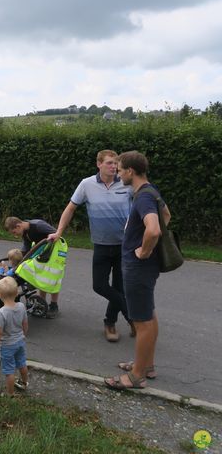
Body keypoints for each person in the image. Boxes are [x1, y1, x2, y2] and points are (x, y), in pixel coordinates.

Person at [47, 150, 133, 342]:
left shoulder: (127, 183)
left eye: (115, 163)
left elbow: (140, 207)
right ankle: (133, 316)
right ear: (99, 164)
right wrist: (59, 231)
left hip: (124, 245)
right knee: (99, 285)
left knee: (119, 287)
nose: (114, 167)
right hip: (101, 245)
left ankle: (110, 324)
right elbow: (70, 208)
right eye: (110, 163)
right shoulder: (87, 184)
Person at [105, 151, 170, 390]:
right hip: (146, 268)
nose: (118, 173)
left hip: (138, 266)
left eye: (120, 169)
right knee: (148, 316)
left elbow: (154, 229)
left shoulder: (142, 196)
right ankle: (146, 365)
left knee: (141, 321)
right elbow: (166, 215)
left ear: (130, 171)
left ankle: (136, 376)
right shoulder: (151, 191)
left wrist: (143, 250)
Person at [4, 216, 59, 318]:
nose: (15, 235)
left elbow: (57, 233)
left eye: (14, 232)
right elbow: (26, 249)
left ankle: (54, 305)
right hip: (43, 255)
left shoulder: (38, 225)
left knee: (53, 278)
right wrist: (17, 261)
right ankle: (42, 303)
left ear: (18, 226)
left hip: (54, 253)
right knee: (42, 278)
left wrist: (49, 242)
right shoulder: (25, 234)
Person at [0, 277, 29, 397]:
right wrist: (23, 335)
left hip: (7, 345)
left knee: (9, 371)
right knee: (22, 363)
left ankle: (10, 394)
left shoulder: (1, 313)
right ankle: (24, 382)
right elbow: (25, 323)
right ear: (17, 292)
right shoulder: (21, 306)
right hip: (20, 341)